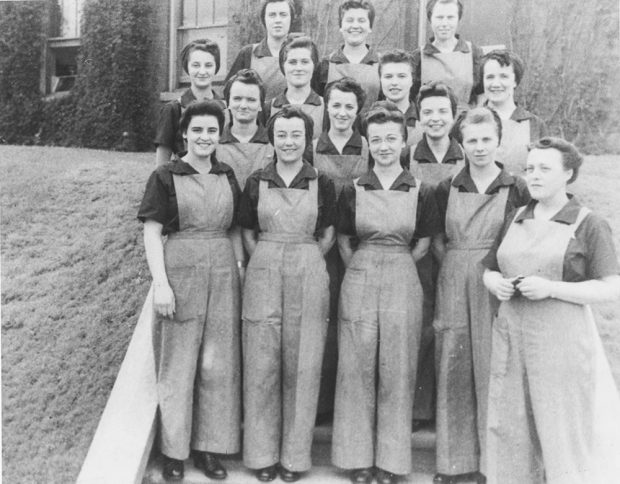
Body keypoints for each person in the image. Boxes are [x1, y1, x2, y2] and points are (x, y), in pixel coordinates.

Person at [482, 137, 620, 484]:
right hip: (513, 337)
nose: (534, 176)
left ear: (568, 174)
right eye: (530, 169)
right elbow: (489, 267)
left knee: (561, 428)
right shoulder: (515, 217)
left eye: (545, 168)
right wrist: (493, 281)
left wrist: (552, 289)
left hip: (562, 344)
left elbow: (611, 286)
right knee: (511, 426)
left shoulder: (589, 223)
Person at [332, 107, 441, 484]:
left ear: (404, 141)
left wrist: (394, 264)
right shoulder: (354, 188)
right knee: (357, 365)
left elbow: (424, 244)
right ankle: (358, 459)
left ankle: (392, 462)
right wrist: (365, 265)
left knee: (398, 366)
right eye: (375, 139)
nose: (383, 146)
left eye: (390, 138)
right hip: (359, 272)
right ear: (367, 143)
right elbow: (344, 241)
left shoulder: (420, 189)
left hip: (403, 274)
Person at [138, 101, 244, 481]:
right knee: (178, 366)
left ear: (220, 135)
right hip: (180, 269)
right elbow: (152, 232)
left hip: (221, 272)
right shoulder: (165, 175)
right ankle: (173, 452)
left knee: (218, 365)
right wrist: (162, 284)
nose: (204, 137)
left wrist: (239, 268)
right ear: (184, 133)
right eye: (197, 130)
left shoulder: (227, 173)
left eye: (212, 131)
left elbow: (233, 228)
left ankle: (208, 449)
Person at [432, 106, 530, 484]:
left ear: (499, 140)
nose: (479, 147)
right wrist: (460, 265)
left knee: (493, 368)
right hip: (454, 278)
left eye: (486, 139)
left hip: (498, 282)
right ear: (461, 143)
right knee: (453, 366)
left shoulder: (516, 187)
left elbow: (524, 236)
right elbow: (438, 240)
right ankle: (453, 463)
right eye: (471, 140)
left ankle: (493, 464)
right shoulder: (447, 187)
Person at [239, 106, 337, 483]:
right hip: (264, 266)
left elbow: (328, 233)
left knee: (304, 362)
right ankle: (262, 456)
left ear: (308, 140)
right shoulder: (256, 181)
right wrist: (268, 257)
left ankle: (295, 459)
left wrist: (305, 257)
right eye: (282, 135)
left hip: (308, 266)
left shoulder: (321, 182)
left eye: (297, 135)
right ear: (272, 138)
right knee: (262, 362)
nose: (289, 142)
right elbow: (247, 231)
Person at [313, 77, 368, 421]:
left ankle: (353, 405)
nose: (342, 112)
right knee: (324, 320)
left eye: (349, 106)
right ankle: (323, 404)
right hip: (320, 246)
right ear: (326, 106)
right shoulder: (311, 146)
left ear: (358, 110)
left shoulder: (368, 146)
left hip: (358, 246)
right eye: (336, 105)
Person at [409, 81, 464, 430]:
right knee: (421, 328)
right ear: (418, 115)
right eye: (427, 111)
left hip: (457, 254)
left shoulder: (466, 154)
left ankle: (449, 411)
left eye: (442, 111)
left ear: (454, 114)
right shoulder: (406, 154)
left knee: (453, 329)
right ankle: (418, 409)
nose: (435, 118)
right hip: (419, 255)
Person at [154, 39, 226, 166]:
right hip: (184, 180)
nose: (202, 71)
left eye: (208, 65)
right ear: (187, 67)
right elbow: (162, 162)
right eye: (196, 65)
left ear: (216, 68)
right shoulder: (173, 109)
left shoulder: (226, 109)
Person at [481, 49, 548, 175]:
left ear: (515, 81)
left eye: (504, 76)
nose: (496, 84)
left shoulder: (535, 125)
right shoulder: (469, 121)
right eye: (490, 77)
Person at [411, 0, 483, 113]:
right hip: (432, 121)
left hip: (464, 121)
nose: (444, 23)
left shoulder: (473, 52)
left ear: (458, 19)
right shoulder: (418, 56)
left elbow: (481, 94)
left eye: (450, 17)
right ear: (430, 19)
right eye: (439, 17)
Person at [313, 1, 380, 112]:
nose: (355, 25)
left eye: (361, 20)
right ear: (341, 26)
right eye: (349, 20)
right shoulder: (326, 64)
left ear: (370, 27)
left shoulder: (380, 64)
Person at [225, 0, 295, 105]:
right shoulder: (248, 53)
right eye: (272, 15)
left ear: (291, 18)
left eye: (283, 15)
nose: (278, 20)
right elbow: (229, 93)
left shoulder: (302, 54)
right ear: (264, 19)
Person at [217, 69, 274, 189]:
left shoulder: (274, 144)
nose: (243, 106)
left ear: (260, 105)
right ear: (228, 103)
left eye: (251, 100)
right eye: (237, 99)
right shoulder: (214, 144)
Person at [263, 35, 324, 140]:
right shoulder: (267, 109)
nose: (298, 68)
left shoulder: (326, 107)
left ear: (314, 65)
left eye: (304, 62)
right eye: (292, 62)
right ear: (283, 66)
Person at [378, 49, 422, 146]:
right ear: (380, 80)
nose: (394, 82)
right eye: (388, 76)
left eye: (401, 76)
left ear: (412, 80)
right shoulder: (367, 120)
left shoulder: (423, 120)